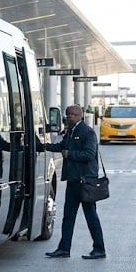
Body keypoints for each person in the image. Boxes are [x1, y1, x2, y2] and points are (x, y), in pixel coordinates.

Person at [42, 104, 106, 260]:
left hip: (85, 182)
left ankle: (99, 249)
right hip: (73, 181)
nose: (68, 117)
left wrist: (70, 154)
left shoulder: (87, 132)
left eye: (71, 114)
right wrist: (41, 146)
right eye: (67, 114)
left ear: (79, 115)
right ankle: (64, 248)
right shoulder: (71, 131)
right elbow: (60, 146)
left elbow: (89, 154)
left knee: (91, 216)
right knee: (68, 216)